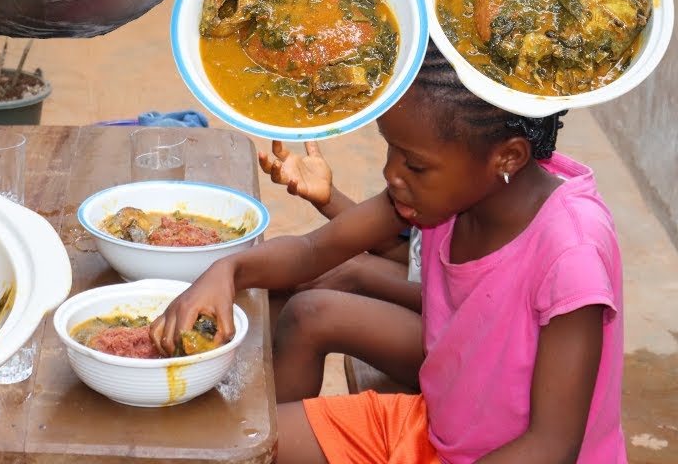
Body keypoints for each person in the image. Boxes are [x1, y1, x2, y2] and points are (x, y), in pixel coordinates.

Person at [153, 42, 624, 463]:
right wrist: (226, 270)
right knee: (245, 448)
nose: (393, 173)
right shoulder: (447, 193)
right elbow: (314, 250)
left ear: (508, 157)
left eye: (414, 163)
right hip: (438, 429)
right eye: (391, 151)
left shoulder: (572, 253)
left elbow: (551, 446)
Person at [257, 140, 424, 401]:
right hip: (429, 293)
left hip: (465, 347)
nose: (390, 173)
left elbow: (459, 303)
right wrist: (329, 198)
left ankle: (271, 429)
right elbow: (410, 254)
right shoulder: (438, 167)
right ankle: (250, 394)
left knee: (310, 313)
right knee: (299, 277)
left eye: (415, 163)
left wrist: (360, 275)